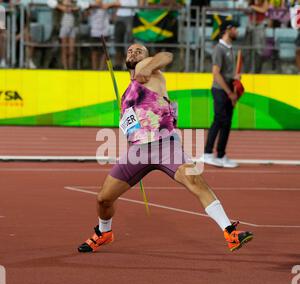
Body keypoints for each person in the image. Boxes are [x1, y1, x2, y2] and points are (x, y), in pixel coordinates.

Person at [77, 43, 254, 253]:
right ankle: (104, 232)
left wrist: (147, 65)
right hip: (138, 151)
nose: (134, 52)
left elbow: (167, 55)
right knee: (103, 199)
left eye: (140, 51)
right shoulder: (127, 93)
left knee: (194, 179)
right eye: (130, 51)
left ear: (147, 57)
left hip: (166, 146)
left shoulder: (152, 73)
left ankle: (230, 232)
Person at [202, 20, 240, 168]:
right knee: (219, 121)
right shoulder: (219, 49)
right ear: (227, 29)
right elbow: (216, 74)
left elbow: (226, 72)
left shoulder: (230, 48)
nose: (237, 31)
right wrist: (229, 92)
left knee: (226, 123)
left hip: (228, 89)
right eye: (235, 28)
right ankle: (207, 153)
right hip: (220, 90)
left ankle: (221, 154)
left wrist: (234, 78)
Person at [87, 0, 119, 70]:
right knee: (94, 52)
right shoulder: (92, 3)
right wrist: (98, 5)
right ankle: (94, 70)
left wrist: (108, 5)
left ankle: (101, 70)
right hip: (94, 31)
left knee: (104, 53)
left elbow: (117, 3)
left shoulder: (107, 2)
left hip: (105, 31)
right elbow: (86, 6)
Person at [243, 0, 269, 73]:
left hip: (259, 27)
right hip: (250, 26)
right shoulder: (251, 1)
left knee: (258, 51)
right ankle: (246, 71)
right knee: (247, 50)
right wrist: (250, 7)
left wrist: (253, 7)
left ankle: (257, 72)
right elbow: (245, 11)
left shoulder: (264, 1)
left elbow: (264, 10)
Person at [114, 0, 140, 70]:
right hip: (120, 16)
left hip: (131, 15)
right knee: (118, 41)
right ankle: (118, 64)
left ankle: (128, 64)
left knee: (129, 42)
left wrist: (110, 4)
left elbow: (127, 3)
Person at [57, 0, 79, 69]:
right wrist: (64, 7)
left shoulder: (75, 2)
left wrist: (70, 7)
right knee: (64, 49)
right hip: (64, 26)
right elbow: (54, 4)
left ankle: (71, 67)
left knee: (71, 50)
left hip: (72, 27)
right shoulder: (60, 2)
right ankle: (65, 68)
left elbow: (78, 7)